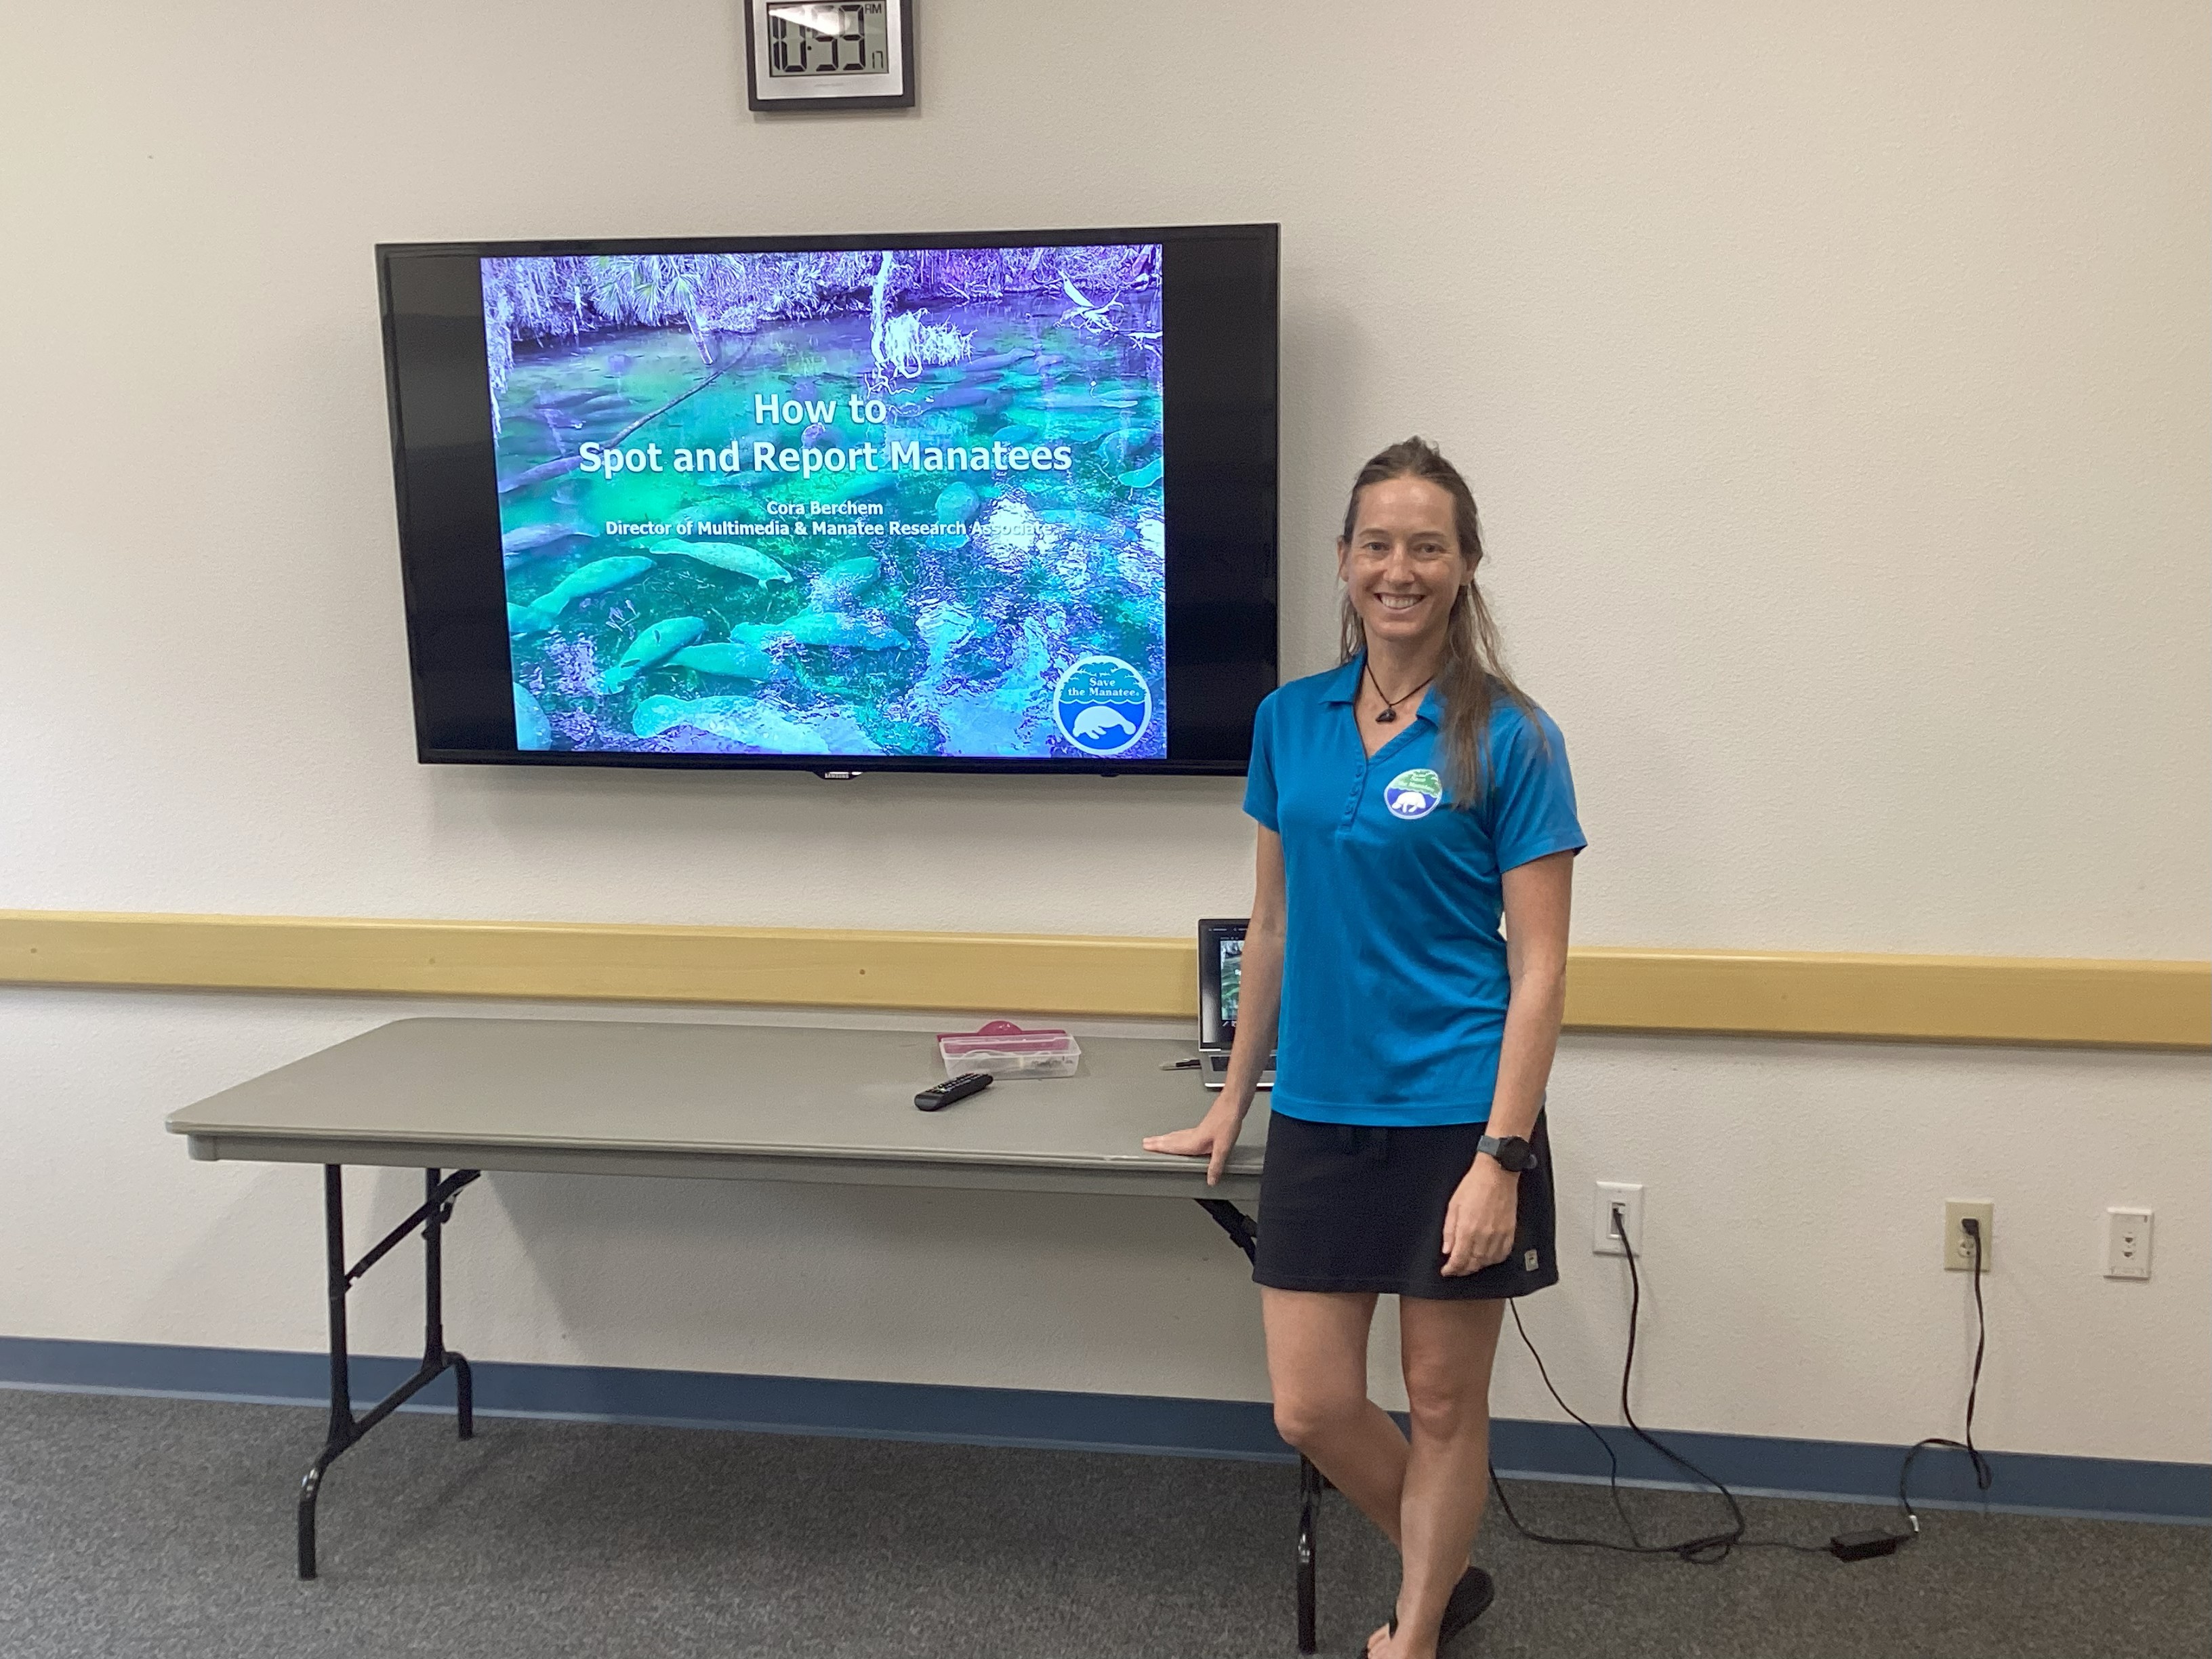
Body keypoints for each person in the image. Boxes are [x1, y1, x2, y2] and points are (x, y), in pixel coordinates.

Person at [1144, 437, 1585, 1659]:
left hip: (1457, 1111)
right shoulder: (1290, 722)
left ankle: (1420, 1627)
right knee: (1314, 1404)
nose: (1401, 568)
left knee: (1444, 1402)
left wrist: (1502, 1156)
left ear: (1466, 564)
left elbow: (1541, 965)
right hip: (1324, 1111)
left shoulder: (1512, 736)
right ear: (1344, 562)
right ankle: (1443, 1564)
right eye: (1378, 545)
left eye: (1426, 546)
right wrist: (1235, 1101)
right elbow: (1272, 929)